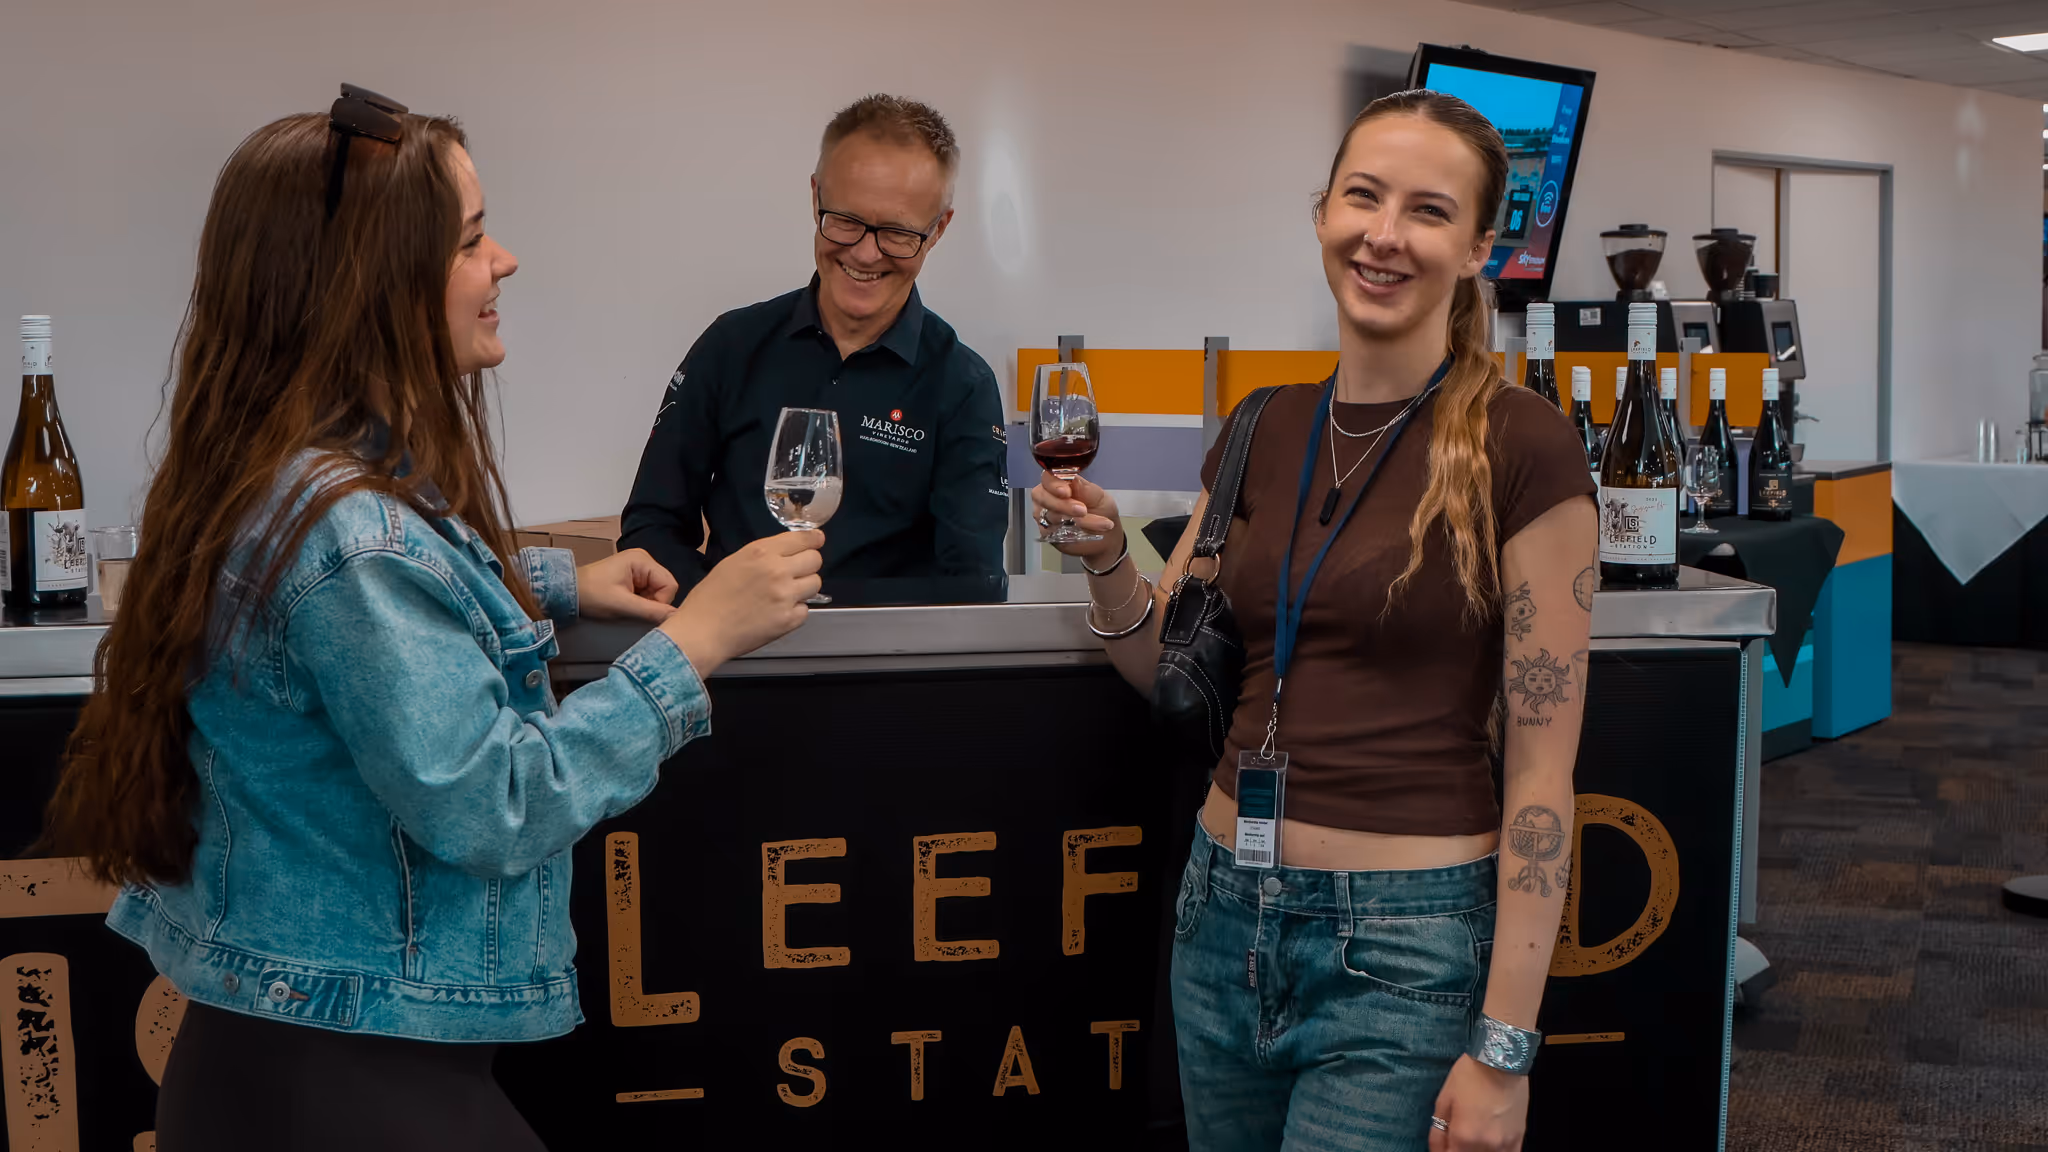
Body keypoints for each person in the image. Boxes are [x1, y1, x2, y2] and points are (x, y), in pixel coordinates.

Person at [40, 87, 822, 1151]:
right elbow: (495, 805)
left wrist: (552, 583)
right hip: (345, 1079)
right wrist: (696, 643)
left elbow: (365, 609)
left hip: (280, 1056)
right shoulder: (349, 533)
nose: (502, 262)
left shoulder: (288, 472)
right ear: (374, 284)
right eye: (469, 240)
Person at [1032, 90, 1597, 1152]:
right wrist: (1108, 556)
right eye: (1362, 197)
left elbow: (1539, 775)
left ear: (1478, 247)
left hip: (1405, 940)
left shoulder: (1525, 447)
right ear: (1321, 213)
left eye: (1427, 212)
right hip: (1218, 912)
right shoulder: (1260, 426)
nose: (1383, 235)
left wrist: (1504, 1048)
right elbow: (1164, 664)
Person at [619, 94, 1008, 597]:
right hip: (728, 662)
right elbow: (651, 528)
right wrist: (726, 608)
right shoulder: (731, 345)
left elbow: (973, 588)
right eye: (845, 220)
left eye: (896, 232)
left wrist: (832, 621)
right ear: (815, 196)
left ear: (938, 229)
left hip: (888, 667)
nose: (866, 253)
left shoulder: (963, 387)